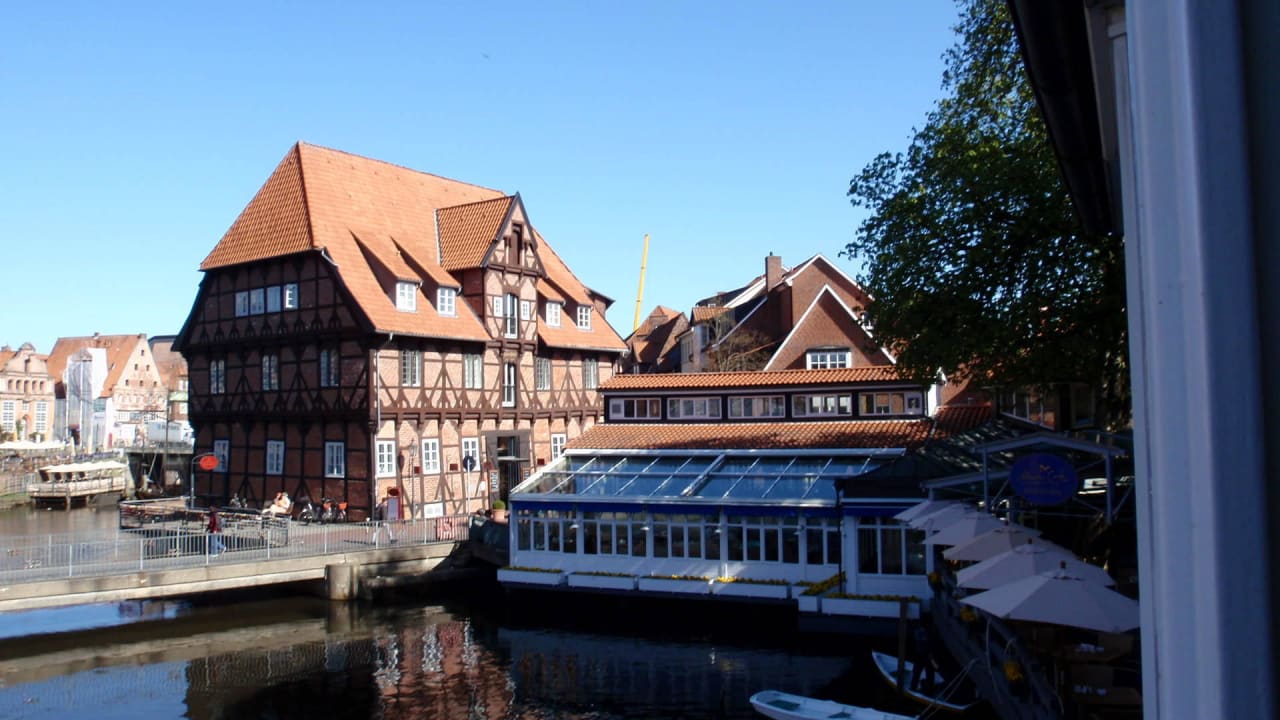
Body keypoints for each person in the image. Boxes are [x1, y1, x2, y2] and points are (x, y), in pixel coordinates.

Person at [910, 620, 939, 694]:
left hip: (921, 655)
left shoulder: (919, 632)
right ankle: (929, 689)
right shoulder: (928, 632)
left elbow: (921, 643)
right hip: (926, 655)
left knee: (917, 673)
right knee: (929, 673)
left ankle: (914, 688)